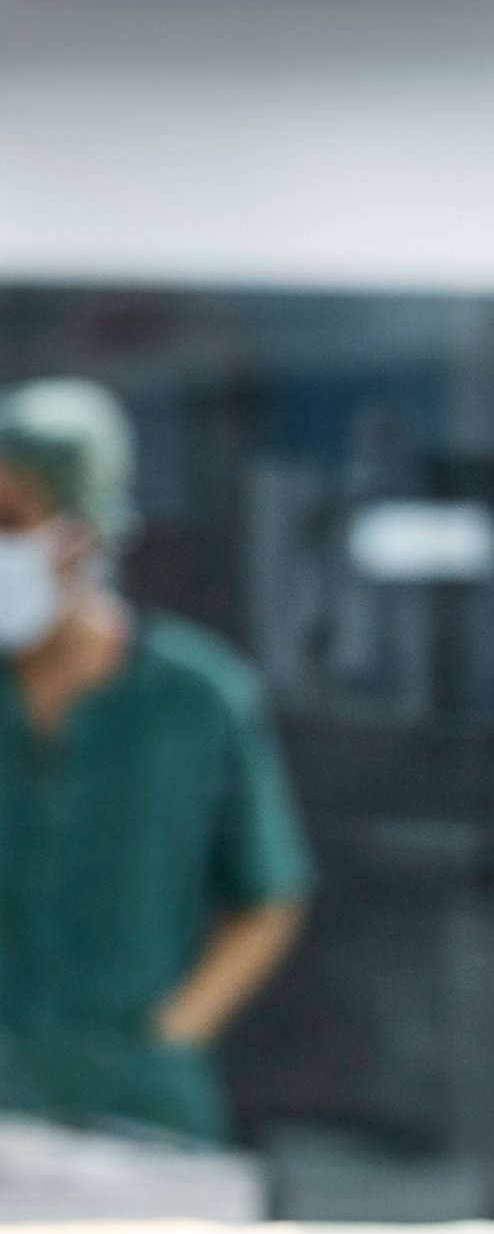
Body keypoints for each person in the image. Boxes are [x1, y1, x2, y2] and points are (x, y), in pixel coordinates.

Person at [0, 378, 312, 1145]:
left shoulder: (196, 698)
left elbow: (269, 894)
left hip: (143, 1111)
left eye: (10, 520)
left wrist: (172, 1032)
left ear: (82, 530)